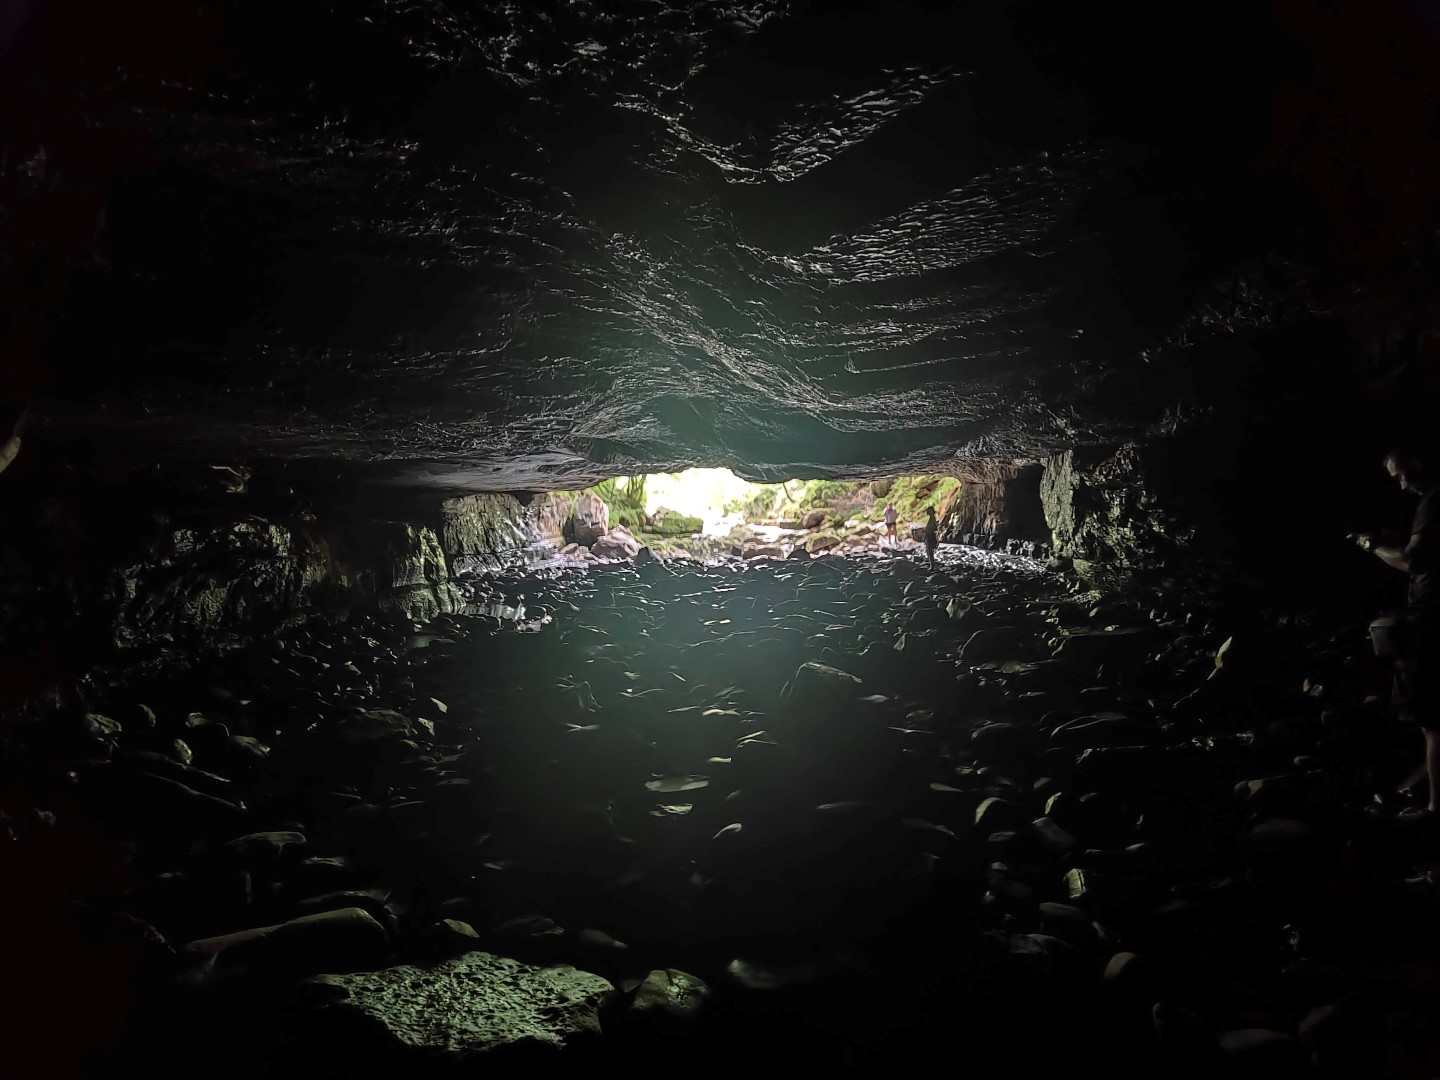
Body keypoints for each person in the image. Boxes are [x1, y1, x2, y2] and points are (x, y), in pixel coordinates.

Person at [1353, 446, 1440, 817]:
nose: (1402, 484)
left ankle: (1437, 811)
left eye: (1401, 473)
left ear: (1418, 458)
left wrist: (1372, 546)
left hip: (1434, 619)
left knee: (1433, 719)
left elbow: (1412, 560)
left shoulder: (1436, 500)